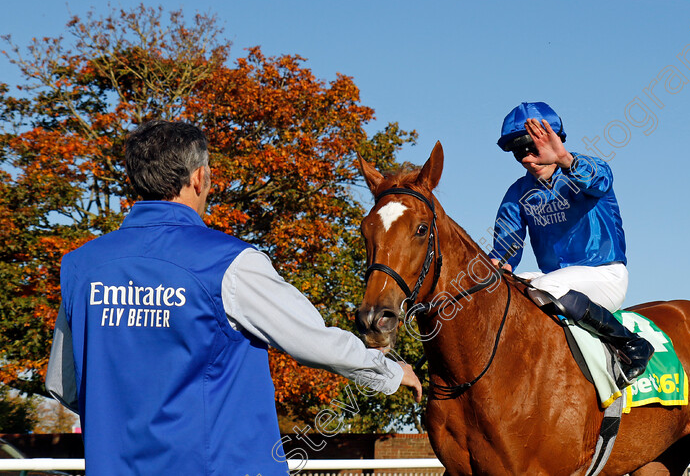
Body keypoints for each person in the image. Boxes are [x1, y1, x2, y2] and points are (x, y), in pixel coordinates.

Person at [45, 120, 422, 476]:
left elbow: (64, 386)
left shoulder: (81, 266)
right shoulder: (229, 263)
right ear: (198, 177)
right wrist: (387, 372)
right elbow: (312, 340)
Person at [488, 102, 653, 386]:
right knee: (512, 289)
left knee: (543, 287)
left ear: (556, 139)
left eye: (533, 148)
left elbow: (602, 180)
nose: (527, 159)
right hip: (555, 282)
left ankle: (631, 344)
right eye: (519, 153)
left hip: (604, 275)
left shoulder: (588, 169)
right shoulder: (517, 193)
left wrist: (564, 159)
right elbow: (506, 248)